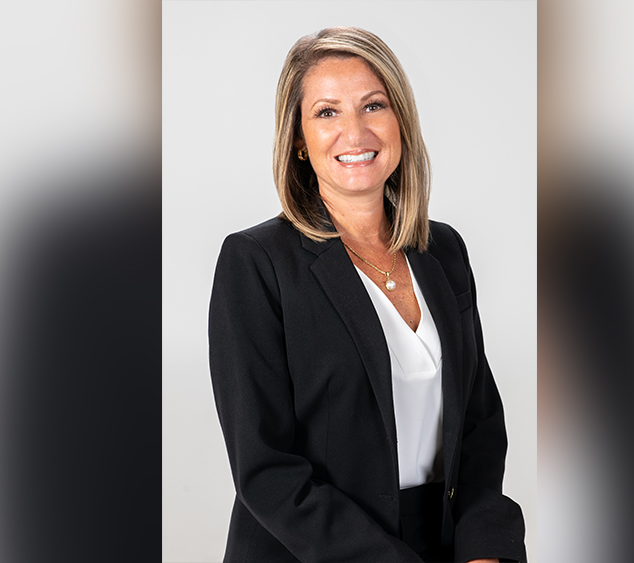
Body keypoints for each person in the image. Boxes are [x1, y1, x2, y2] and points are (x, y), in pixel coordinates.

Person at [209, 27, 526, 562]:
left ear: (400, 119)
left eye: (373, 105)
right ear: (299, 141)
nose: (354, 132)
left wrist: (484, 551)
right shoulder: (256, 263)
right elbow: (266, 470)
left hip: (440, 543)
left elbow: (478, 426)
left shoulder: (444, 250)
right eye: (327, 112)